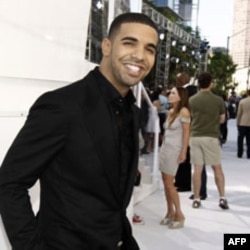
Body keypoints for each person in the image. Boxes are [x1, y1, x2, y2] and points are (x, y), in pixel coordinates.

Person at [0, 13, 159, 250]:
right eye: (129, 43)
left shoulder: (132, 113)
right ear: (107, 46)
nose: (139, 55)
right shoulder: (62, 105)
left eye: (150, 49)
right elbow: (9, 183)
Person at [189, 72, 229, 210]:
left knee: (197, 169)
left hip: (195, 136)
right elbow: (222, 119)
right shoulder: (218, 100)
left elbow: (190, 117)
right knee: (217, 167)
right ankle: (222, 197)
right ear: (210, 82)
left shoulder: (192, 100)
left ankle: (196, 198)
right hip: (211, 136)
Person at [159, 86, 191, 229]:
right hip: (165, 149)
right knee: (166, 183)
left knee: (169, 184)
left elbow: (186, 133)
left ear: (180, 96)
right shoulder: (171, 112)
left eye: (173, 93)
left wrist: (184, 151)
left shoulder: (184, 112)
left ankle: (179, 214)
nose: (169, 95)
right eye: (170, 92)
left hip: (174, 150)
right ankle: (169, 211)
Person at [236, 89, 250, 159]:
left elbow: (239, 113)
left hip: (242, 122)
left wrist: (237, 122)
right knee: (249, 140)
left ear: (247, 93)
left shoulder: (242, 101)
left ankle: (239, 153)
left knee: (240, 139)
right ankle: (249, 154)